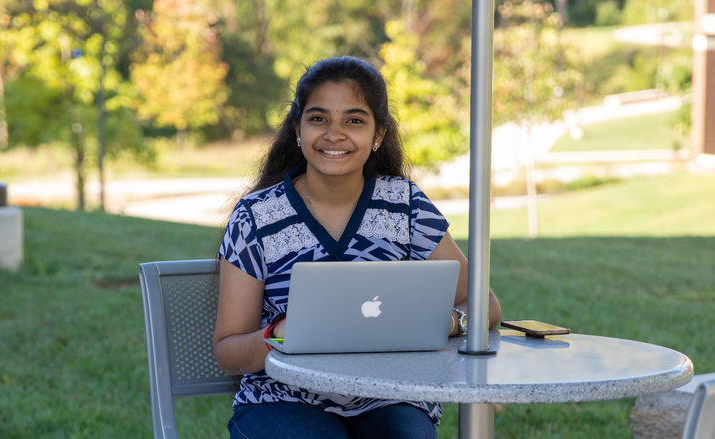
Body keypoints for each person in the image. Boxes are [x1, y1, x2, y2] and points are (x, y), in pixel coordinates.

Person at [213, 55, 502, 439]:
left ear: (378, 134)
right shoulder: (255, 217)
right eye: (319, 119)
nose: (335, 134)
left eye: (354, 120)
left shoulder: (406, 206)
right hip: (282, 399)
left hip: (391, 397)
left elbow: (487, 306)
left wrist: (444, 323)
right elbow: (228, 351)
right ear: (298, 129)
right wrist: (278, 333)